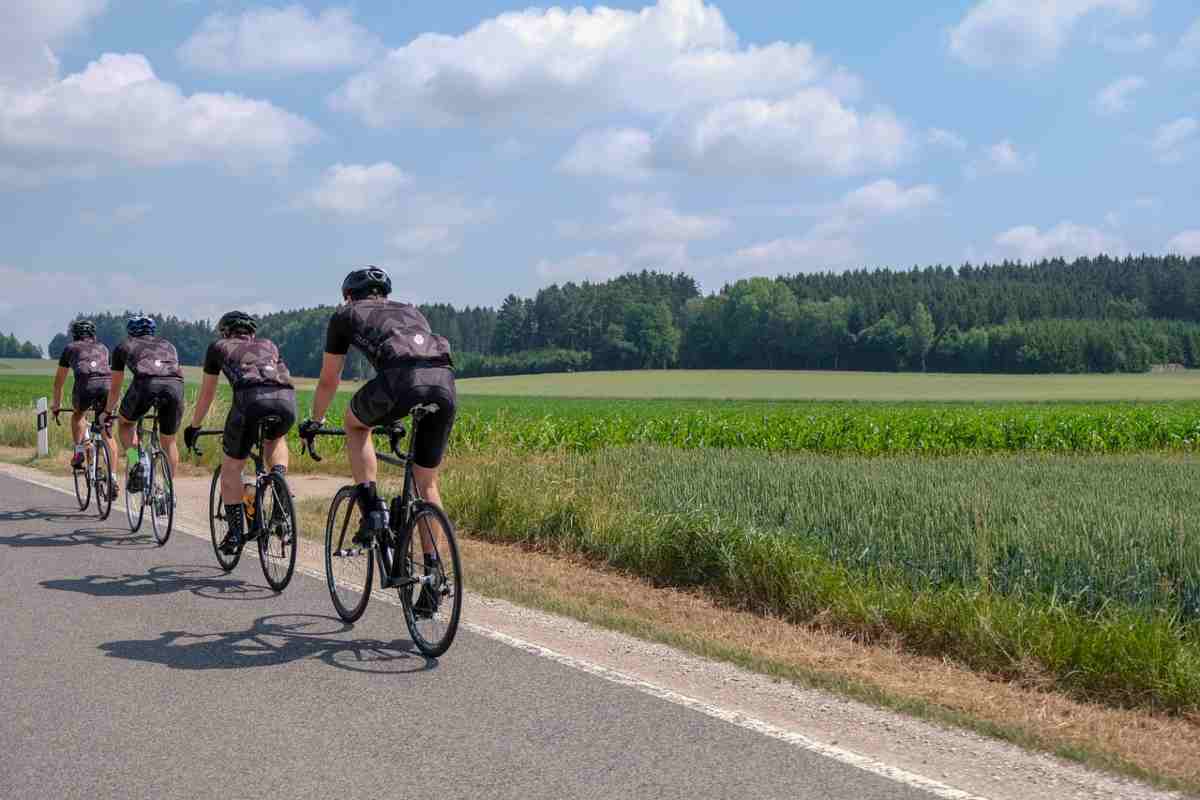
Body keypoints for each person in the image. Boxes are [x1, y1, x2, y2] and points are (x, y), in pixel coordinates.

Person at [300, 267, 456, 614]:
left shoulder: (345, 314)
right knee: (426, 482)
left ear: (349, 295)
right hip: (444, 383)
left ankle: (372, 509)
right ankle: (434, 577)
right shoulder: (412, 310)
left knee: (356, 426)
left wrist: (315, 420)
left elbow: (329, 379)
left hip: (400, 383)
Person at [183, 311, 296, 554]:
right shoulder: (269, 345)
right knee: (275, 438)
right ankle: (279, 483)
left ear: (225, 332)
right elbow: (283, 375)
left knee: (231, 468)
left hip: (250, 401)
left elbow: (207, 394)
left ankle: (235, 534)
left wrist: (195, 426)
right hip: (286, 400)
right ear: (252, 333)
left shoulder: (218, 346)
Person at [103, 315, 185, 493]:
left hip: (146, 385)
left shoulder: (123, 346)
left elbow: (115, 387)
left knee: (125, 424)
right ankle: (168, 494)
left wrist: (107, 412)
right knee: (169, 441)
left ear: (130, 332)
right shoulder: (168, 345)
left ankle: (136, 461)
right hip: (176, 386)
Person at [51, 319, 118, 494]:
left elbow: (58, 383)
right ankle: (113, 479)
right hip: (106, 387)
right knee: (106, 431)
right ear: (93, 335)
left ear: (75, 335)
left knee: (78, 416)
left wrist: (56, 406)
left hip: (85, 386)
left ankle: (79, 451)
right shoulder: (103, 348)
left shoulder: (70, 348)